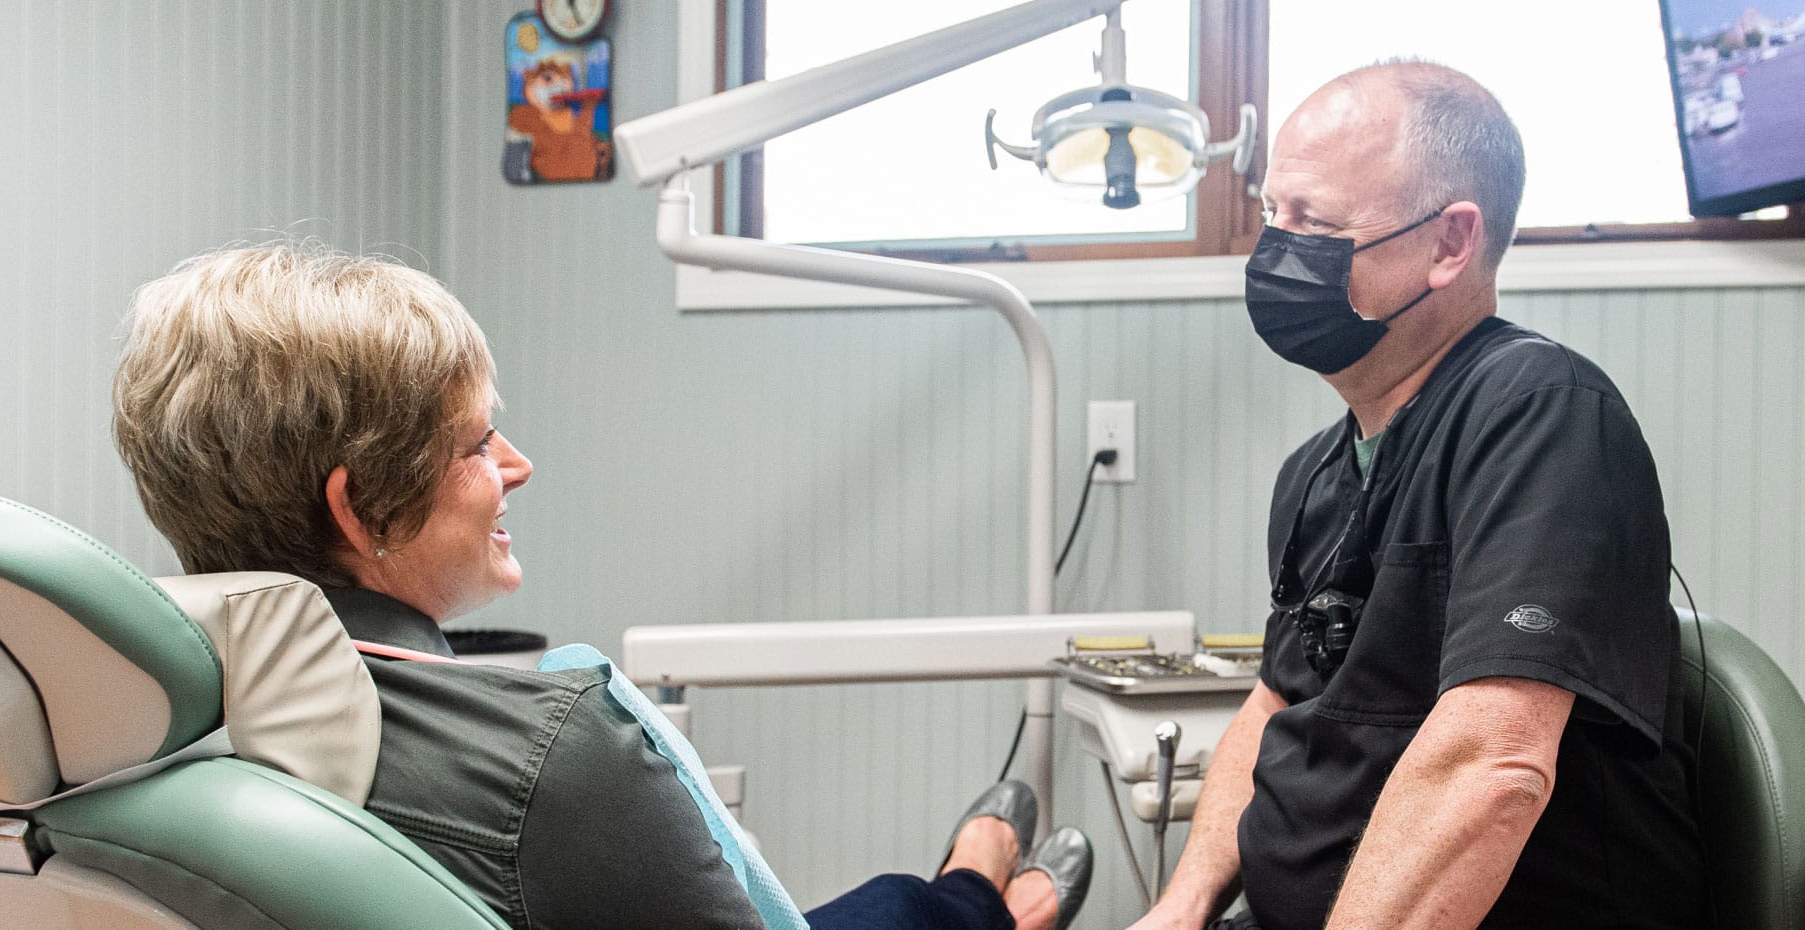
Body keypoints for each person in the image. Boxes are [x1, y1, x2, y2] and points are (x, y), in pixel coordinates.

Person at [110, 243, 1094, 930]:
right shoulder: (559, 746)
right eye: (475, 442)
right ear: (361, 505)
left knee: (882, 907)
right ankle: (988, 893)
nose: (518, 464)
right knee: (913, 911)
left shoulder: (107, 734)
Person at [1130, 62, 1704, 930]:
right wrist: (1183, 905)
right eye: (1270, 216)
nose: (1276, 250)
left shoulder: (1543, 416)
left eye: (1315, 223)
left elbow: (1493, 765)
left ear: (1449, 243)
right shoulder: (1318, 472)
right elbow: (1277, 702)